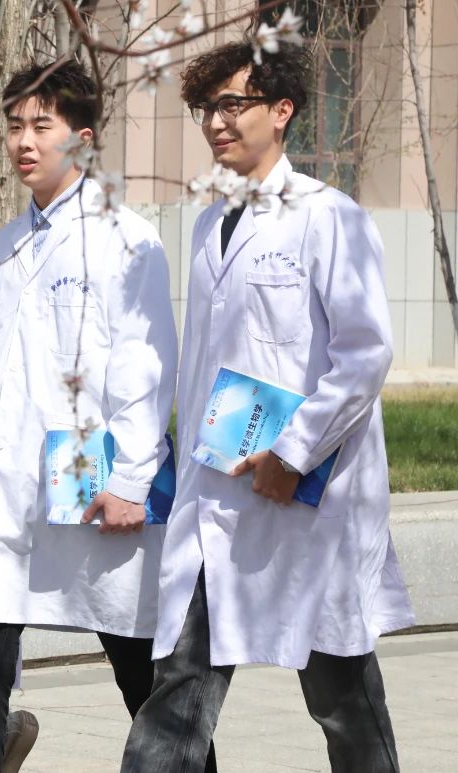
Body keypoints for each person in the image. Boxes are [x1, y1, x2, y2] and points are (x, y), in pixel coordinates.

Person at [121, 40, 415, 773]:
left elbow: (365, 352)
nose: (216, 122)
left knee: (341, 698)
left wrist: (293, 452)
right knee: (178, 688)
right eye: (206, 108)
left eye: (233, 104)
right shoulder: (208, 225)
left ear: (282, 110)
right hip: (216, 497)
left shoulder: (329, 216)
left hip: (306, 498)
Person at [0, 61, 186, 772]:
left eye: (42, 126)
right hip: (7, 493)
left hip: (95, 485)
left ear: (83, 138)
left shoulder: (125, 238)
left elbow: (145, 364)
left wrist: (132, 479)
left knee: (143, 674)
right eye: (14, 126)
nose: (24, 141)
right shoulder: (7, 245)